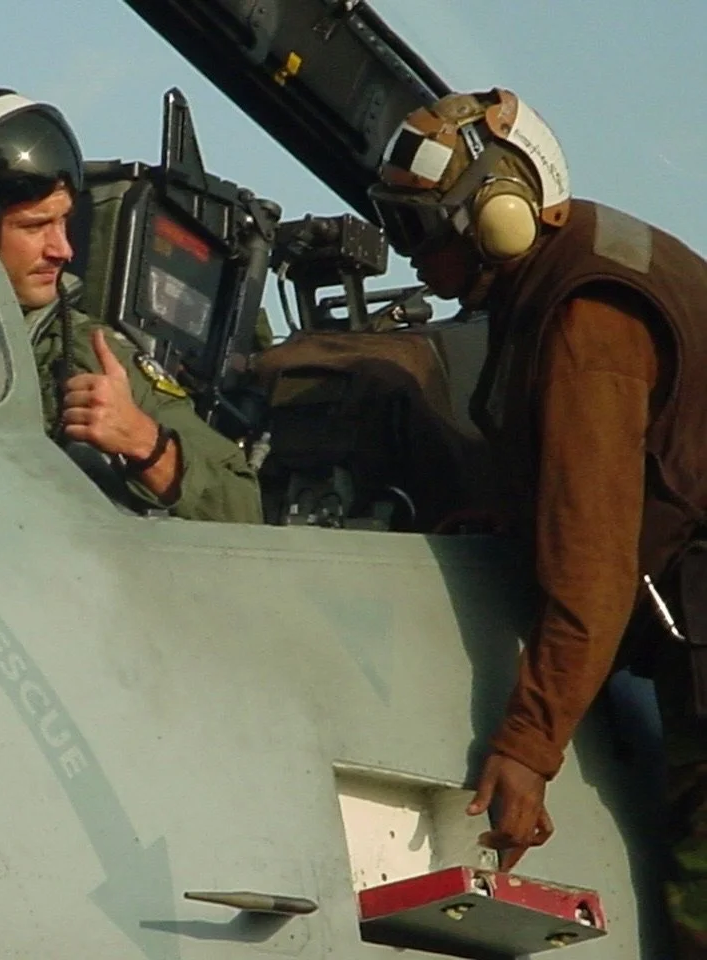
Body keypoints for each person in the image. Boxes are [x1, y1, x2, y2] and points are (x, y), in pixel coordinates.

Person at [369, 87, 707, 957]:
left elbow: (592, 568)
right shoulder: (576, 263)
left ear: (499, 218)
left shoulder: (587, 322)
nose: (419, 263)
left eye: (422, 234)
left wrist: (528, 747)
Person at [0, 87, 262, 524]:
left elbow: (242, 506)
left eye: (63, 221)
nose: (62, 249)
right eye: (35, 226)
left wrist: (143, 442)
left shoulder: (90, 356)